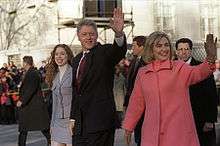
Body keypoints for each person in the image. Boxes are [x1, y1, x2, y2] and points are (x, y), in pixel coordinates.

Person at [122, 31, 217, 146]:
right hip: (152, 134)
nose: (164, 49)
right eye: (159, 45)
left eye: (166, 45)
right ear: (151, 48)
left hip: (178, 135)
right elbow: (136, 102)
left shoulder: (179, 67)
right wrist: (128, 126)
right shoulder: (143, 73)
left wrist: (210, 59)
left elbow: (199, 72)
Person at [69, 7, 126, 146]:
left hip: (101, 122)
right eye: (84, 34)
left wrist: (119, 34)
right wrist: (73, 118)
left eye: (92, 34)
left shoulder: (104, 53)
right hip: (81, 125)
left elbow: (117, 51)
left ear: (96, 35)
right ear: (78, 37)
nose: (88, 37)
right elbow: (77, 92)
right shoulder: (76, 60)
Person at [175, 38, 218, 146]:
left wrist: (210, 120)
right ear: (176, 51)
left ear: (191, 51)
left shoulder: (202, 67)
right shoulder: (170, 69)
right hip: (178, 121)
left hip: (200, 119)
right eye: (180, 49)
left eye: (186, 49)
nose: (183, 52)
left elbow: (211, 94)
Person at [16, 56, 50, 146]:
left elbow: (31, 88)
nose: (22, 64)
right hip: (29, 106)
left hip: (33, 106)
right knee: (24, 129)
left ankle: (51, 141)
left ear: (25, 63)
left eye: (22, 62)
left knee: (43, 127)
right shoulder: (29, 73)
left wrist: (22, 100)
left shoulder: (32, 73)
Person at [45, 44, 74, 146]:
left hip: (71, 121)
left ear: (68, 55)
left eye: (62, 54)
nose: (59, 57)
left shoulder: (74, 72)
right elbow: (55, 104)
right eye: (56, 54)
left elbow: (77, 100)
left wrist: (74, 119)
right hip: (57, 122)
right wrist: (52, 125)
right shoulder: (54, 75)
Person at [123, 36, 146, 146]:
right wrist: (126, 103)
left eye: (134, 45)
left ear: (142, 47)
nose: (132, 48)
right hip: (133, 103)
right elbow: (130, 86)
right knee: (137, 137)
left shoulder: (147, 63)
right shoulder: (134, 61)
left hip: (144, 107)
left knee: (143, 137)